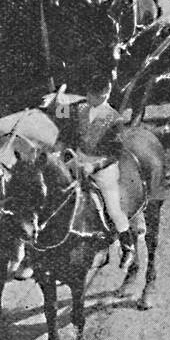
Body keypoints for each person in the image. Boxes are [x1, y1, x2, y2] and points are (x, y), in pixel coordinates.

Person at [59, 70, 136, 265]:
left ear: (105, 95)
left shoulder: (115, 120)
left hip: (102, 169)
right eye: (89, 94)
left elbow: (115, 154)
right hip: (76, 159)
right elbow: (65, 124)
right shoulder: (80, 109)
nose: (90, 98)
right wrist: (58, 101)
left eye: (95, 96)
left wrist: (94, 167)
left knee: (113, 208)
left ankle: (127, 245)